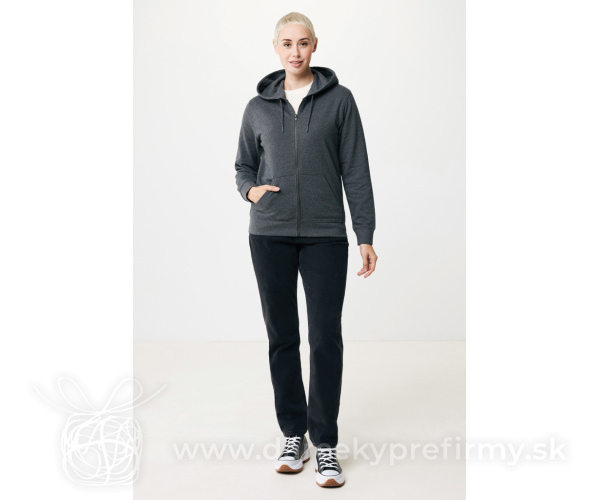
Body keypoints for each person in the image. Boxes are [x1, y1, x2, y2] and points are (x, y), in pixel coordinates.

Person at [234, 11, 378, 488]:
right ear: (276, 48)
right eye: (287, 43)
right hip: (269, 234)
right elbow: (243, 165)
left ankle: (326, 442)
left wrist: (364, 234)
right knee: (282, 338)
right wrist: (251, 190)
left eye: (303, 43)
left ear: (315, 45)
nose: (295, 52)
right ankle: (293, 435)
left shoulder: (340, 101)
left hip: (324, 236)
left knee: (324, 338)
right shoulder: (257, 107)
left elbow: (355, 170)